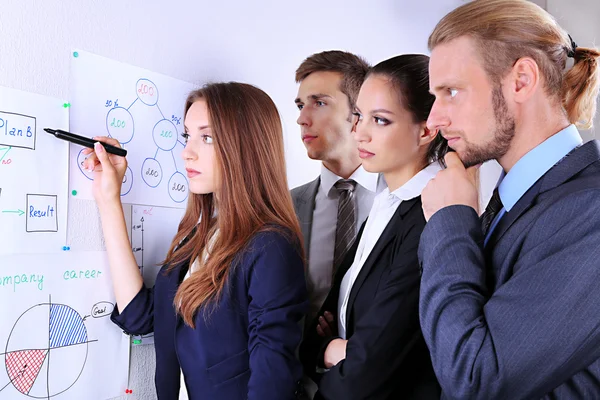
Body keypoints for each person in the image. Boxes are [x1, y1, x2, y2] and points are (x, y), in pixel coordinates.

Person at [419, 0, 600, 398]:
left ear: (521, 80)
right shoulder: (511, 200)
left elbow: (477, 377)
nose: (433, 120)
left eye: (451, 92)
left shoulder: (591, 212)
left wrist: (450, 220)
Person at [83, 82, 308, 399]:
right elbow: (140, 316)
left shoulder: (270, 246)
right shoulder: (198, 235)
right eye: (188, 136)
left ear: (248, 147)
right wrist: (109, 200)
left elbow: (272, 380)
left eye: (208, 137)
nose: (186, 152)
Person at [300, 54, 446, 399]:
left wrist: (334, 350)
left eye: (380, 120)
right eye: (360, 116)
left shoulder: (431, 213)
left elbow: (368, 371)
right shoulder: (386, 203)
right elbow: (319, 335)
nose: (360, 133)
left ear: (426, 129)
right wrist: (327, 347)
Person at [292, 50, 385, 323]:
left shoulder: (404, 202)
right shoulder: (283, 208)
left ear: (358, 113)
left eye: (319, 103)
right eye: (300, 106)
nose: (302, 118)